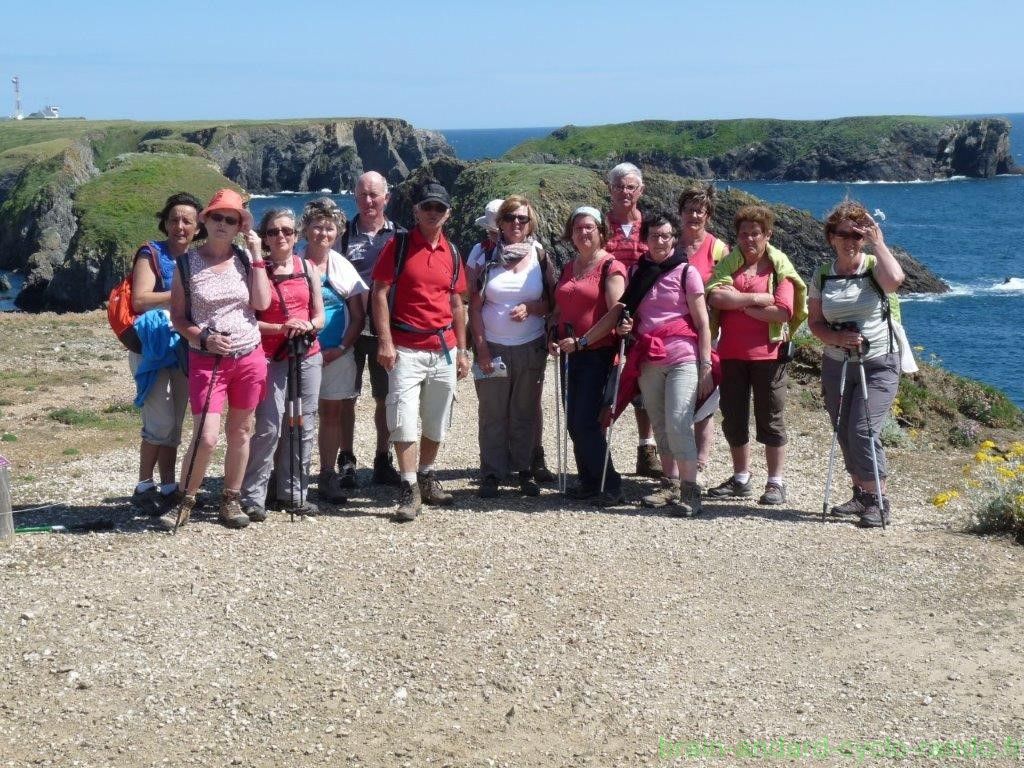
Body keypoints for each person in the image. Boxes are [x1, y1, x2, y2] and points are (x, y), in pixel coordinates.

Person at [587, 211, 714, 515]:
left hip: (683, 356)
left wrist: (706, 363)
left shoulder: (687, 273)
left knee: (679, 421)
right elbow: (627, 314)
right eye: (655, 236)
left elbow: (703, 322)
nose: (660, 241)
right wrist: (624, 329)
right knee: (659, 422)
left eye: (667, 236)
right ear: (645, 240)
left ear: (674, 239)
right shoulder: (637, 274)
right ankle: (670, 484)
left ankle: (690, 491)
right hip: (648, 358)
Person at [163, 188, 271, 530]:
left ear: (240, 226)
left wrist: (256, 254)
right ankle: (185, 500)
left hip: (249, 355)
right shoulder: (186, 264)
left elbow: (262, 303)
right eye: (218, 217)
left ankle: (230, 498)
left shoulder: (244, 259)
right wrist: (204, 338)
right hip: (207, 361)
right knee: (206, 435)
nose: (224, 224)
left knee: (241, 430)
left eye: (232, 219)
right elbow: (178, 317)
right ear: (205, 220)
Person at [371, 181, 470, 522]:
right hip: (405, 349)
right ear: (416, 211)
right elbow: (379, 293)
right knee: (403, 419)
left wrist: (462, 350)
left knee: (438, 418)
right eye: (427, 206)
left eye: (438, 208)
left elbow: (457, 303)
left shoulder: (453, 252)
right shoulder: (397, 246)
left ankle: (426, 474)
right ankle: (409, 484)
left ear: (447, 213)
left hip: (443, 348)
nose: (432, 212)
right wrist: (384, 341)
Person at [808, 200, 904, 528]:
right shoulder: (822, 275)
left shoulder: (874, 265)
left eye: (857, 235)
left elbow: (894, 280)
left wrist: (878, 242)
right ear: (831, 237)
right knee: (843, 430)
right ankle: (860, 493)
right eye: (844, 234)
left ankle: (879, 500)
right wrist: (837, 339)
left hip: (879, 361)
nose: (851, 241)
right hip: (838, 362)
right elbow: (816, 324)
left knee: (863, 429)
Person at [706, 205, 807, 506]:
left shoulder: (779, 266)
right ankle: (741, 478)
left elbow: (783, 310)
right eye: (743, 234)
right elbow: (714, 296)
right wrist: (756, 300)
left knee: (770, 418)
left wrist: (738, 305)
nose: (749, 239)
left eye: (755, 233)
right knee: (734, 417)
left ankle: (775, 482)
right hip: (732, 354)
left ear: (767, 235)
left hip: (769, 356)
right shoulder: (729, 264)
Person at [240, 208, 326, 521]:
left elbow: (319, 315)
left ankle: (294, 493)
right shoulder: (255, 269)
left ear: (296, 235)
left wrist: (307, 326)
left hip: (307, 354)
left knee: (303, 424)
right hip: (268, 356)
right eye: (274, 231)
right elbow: (249, 320)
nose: (281, 237)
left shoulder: (308, 267)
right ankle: (254, 496)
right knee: (269, 425)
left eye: (287, 231)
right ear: (265, 237)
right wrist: (283, 328)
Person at [469, 195, 556, 498]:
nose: (516, 223)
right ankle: (492, 472)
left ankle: (524, 470)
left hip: (530, 347)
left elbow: (552, 303)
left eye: (522, 219)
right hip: (493, 346)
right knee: (492, 412)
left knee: (524, 410)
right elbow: (474, 308)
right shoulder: (485, 259)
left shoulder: (540, 256)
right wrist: (481, 349)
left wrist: (532, 308)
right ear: (501, 223)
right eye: (510, 218)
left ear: (530, 223)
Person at [128, 193, 203, 513]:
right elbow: (140, 300)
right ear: (165, 222)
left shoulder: (199, 258)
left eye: (187, 220)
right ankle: (144, 485)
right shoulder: (151, 253)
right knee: (158, 421)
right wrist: (180, 293)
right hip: (155, 346)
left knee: (174, 422)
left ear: (198, 227)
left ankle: (170, 485)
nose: (180, 226)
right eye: (174, 219)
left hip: (184, 347)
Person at [550, 206, 628, 505]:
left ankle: (610, 484)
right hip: (571, 352)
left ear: (600, 232)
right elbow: (559, 308)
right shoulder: (570, 267)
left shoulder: (611, 267)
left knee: (585, 421)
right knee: (574, 420)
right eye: (578, 228)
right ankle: (589, 481)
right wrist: (552, 334)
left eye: (589, 228)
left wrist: (583, 341)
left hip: (597, 353)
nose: (583, 233)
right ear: (571, 233)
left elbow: (617, 312)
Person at [337, 171, 406, 487]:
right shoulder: (342, 236)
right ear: (355, 197)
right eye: (363, 194)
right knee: (345, 397)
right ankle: (346, 460)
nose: (368, 201)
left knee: (385, 397)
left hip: (386, 330)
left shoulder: (401, 237)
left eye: (374, 195)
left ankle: (383, 458)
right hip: (348, 328)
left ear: (386, 198)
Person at [299, 198, 367, 504]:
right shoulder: (293, 261)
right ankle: (292, 475)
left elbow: (358, 315)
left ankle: (326, 474)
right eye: (317, 226)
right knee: (296, 416)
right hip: (297, 354)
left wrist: (340, 348)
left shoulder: (343, 267)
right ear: (305, 229)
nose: (323, 233)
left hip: (335, 354)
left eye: (329, 228)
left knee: (331, 413)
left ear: (338, 232)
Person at [604, 162, 660, 478]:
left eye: (630, 187)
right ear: (609, 189)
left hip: (646, 316)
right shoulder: (600, 226)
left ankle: (646, 447)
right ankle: (601, 453)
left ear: (641, 190)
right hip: (608, 315)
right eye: (619, 186)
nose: (624, 192)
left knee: (646, 383)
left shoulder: (650, 226)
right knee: (608, 383)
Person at [675, 184, 730, 485]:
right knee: (678, 396)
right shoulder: (671, 246)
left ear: (708, 215)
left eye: (700, 210)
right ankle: (678, 454)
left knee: (706, 396)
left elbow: (730, 285)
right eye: (689, 210)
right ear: (680, 213)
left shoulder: (719, 249)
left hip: (710, 332)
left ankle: (701, 457)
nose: (694, 215)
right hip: (675, 334)